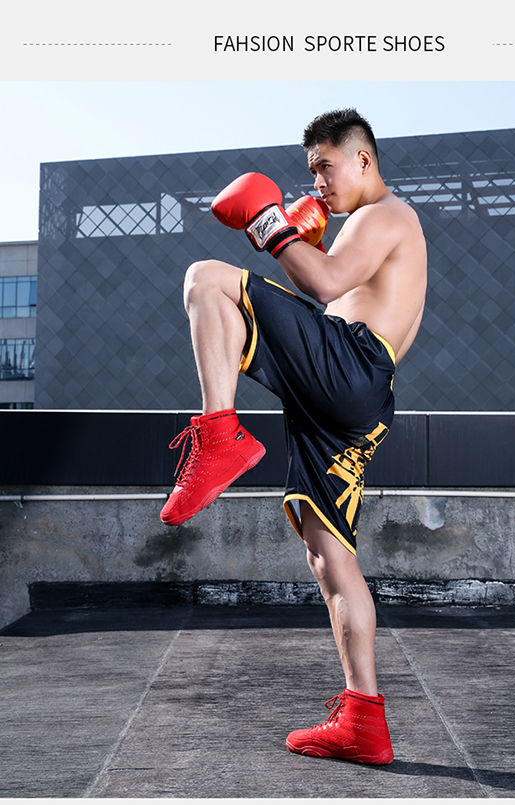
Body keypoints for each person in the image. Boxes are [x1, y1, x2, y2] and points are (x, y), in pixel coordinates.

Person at [160, 108, 427, 765]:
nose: (319, 183)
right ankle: (364, 720)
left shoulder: (386, 213)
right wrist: (299, 240)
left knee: (205, 279)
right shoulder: (369, 227)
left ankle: (220, 436)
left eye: (325, 167)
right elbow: (328, 289)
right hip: (357, 398)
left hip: (351, 364)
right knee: (329, 555)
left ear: (362, 159)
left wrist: (268, 224)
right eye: (312, 172)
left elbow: (326, 284)